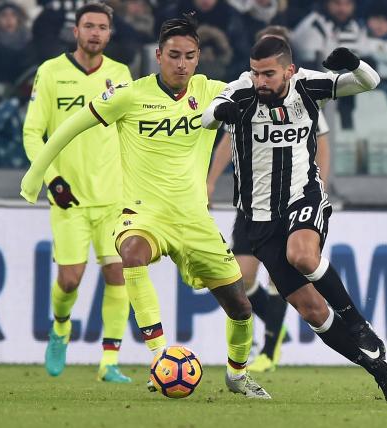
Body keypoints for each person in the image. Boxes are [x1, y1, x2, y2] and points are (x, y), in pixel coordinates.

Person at [20, 14, 270, 399]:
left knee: (240, 306)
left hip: (193, 219)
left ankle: (237, 374)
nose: (181, 63)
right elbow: (71, 125)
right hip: (143, 213)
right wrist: (35, 177)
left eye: (189, 56)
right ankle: (159, 358)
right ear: (158, 55)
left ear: (198, 57)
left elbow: (257, 86)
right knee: (130, 255)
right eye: (173, 55)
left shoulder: (211, 91)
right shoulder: (129, 94)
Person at [202, 36, 387, 402]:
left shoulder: (307, 86)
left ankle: (360, 325)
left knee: (302, 255)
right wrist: (222, 112)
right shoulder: (241, 91)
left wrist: (354, 63)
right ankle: (380, 371)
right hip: (258, 218)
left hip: (303, 195)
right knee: (312, 311)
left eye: (268, 74)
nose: (260, 81)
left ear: (289, 70)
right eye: (255, 73)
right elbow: (208, 114)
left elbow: (368, 82)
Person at [206, 25, 331, 373]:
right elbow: (226, 142)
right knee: (241, 278)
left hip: (290, 199)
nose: (261, 77)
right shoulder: (244, 95)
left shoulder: (301, 96)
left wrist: (319, 186)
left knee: (279, 279)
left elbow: (321, 141)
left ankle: (270, 349)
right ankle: (278, 329)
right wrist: (211, 181)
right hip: (251, 202)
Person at [22, 2, 132, 383]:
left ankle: (109, 362)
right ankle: (61, 326)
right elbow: (32, 133)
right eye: (89, 26)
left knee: (119, 274)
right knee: (70, 280)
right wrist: (51, 179)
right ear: (76, 31)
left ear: (109, 33)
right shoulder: (51, 72)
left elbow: (128, 134)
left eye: (102, 27)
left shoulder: (120, 74)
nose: (95, 33)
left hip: (113, 197)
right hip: (68, 198)